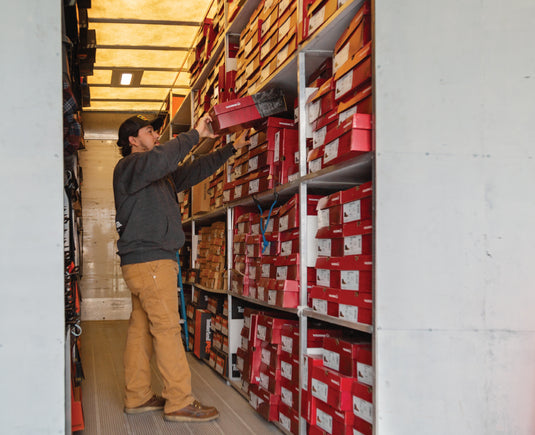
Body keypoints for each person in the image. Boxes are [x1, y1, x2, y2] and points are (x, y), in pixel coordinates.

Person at [113, 113, 249, 422]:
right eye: (149, 132)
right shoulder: (131, 166)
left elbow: (191, 170)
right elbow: (165, 156)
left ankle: (137, 396)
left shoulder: (155, 174)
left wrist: (231, 149)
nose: (156, 136)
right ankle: (179, 401)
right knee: (166, 329)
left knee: (141, 329)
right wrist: (195, 134)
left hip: (143, 262)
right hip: (151, 261)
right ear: (133, 141)